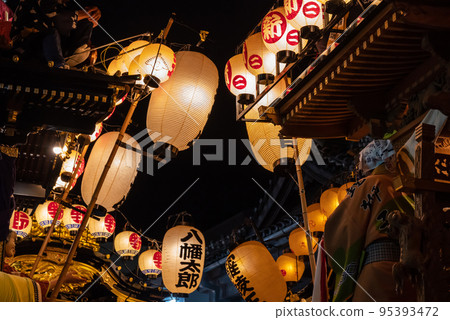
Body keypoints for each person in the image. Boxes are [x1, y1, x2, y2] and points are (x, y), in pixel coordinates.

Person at [324, 139, 417, 301]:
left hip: (377, 272)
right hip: (412, 274)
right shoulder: (409, 189)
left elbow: (341, 224)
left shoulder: (368, 183)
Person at [10, 0, 101, 68]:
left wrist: (91, 16)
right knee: (51, 32)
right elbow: (54, 18)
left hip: (55, 46)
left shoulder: (63, 5)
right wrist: (85, 14)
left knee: (86, 22)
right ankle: (58, 64)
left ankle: (74, 53)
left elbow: (69, 19)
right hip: (28, 45)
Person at [1, 230, 85, 301]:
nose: (15, 245)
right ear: (4, 241)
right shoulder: (5, 269)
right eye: (13, 241)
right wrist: (63, 278)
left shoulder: (7, 268)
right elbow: (30, 288)